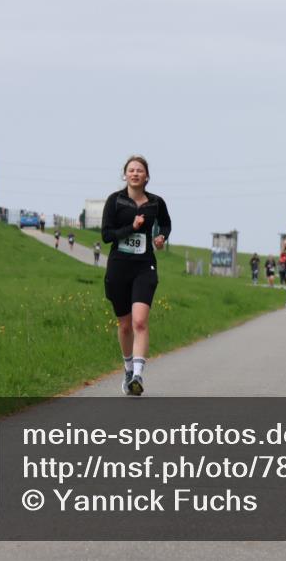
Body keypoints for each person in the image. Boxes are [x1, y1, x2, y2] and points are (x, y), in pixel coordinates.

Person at [102, 155, 172, 396]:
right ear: (125, 175)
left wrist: (162, 237)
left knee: (139, 322)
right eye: (131, 170)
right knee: (124, 326)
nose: (135, 174)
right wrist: (131, 228)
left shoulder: (156, 203)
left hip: (144, 267)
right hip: (119, 267)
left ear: (146, 176)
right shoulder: (115, 201)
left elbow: (166, 224)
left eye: (139, 170)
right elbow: (106, 235)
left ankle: (139, 376)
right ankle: (128, 369)